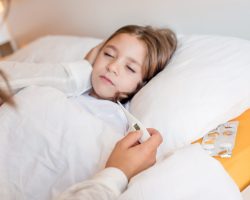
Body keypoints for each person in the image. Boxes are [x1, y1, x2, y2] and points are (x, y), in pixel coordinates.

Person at [0, 24, 177, 199]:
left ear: (144, 84)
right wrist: (79, 70)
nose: (113, 66)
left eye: (130, 68)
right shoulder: (55, 84)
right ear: (95, 53)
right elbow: (6, 79)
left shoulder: (118, 127)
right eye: (108, 54)